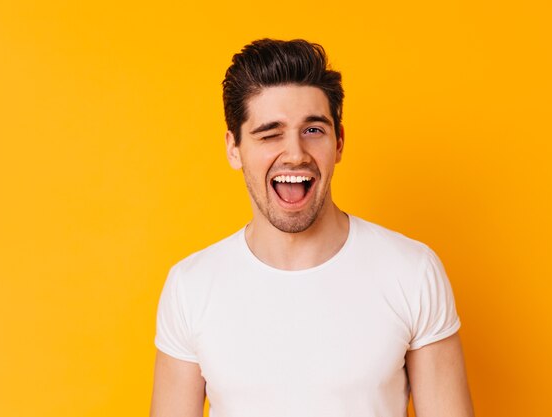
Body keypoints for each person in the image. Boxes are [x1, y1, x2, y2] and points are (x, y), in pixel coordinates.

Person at [150, 39, 474, 417]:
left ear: (339, 142)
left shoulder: (412, 271)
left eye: (313, 130)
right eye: (270, 133)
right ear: (233, 149)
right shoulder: (191, 287)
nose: (294, 154)